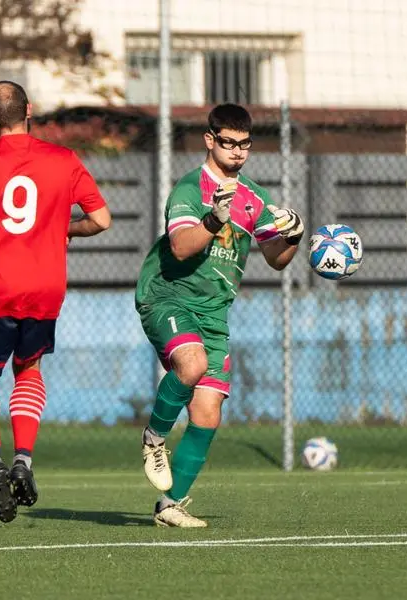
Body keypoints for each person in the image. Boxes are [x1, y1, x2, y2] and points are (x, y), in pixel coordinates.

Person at [0, 81, 111, 523]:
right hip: (45, 288)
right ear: (29, 110)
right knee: (29, 368)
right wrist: (63, 229)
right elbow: (101, 219)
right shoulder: (64, 160)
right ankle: (24, 461)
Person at [134, 103, 303, 527]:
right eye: (228, 143)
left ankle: (169, 505)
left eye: (245, 144)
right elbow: (179, 248)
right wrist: (213, 220)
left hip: (213, 312)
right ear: (210, 140)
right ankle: (154, 438)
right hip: (168, 296)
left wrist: (294, 236)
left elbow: (276, 259)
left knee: (208, 412)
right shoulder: (191, 188)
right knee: (192, 364)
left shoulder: (254, 199)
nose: (238, 152)